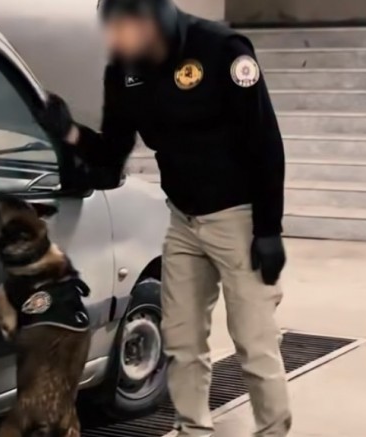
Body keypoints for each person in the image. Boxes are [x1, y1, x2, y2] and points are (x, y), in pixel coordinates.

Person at [35, 0, 291, 436]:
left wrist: (268, 230)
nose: (112, 42)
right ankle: (193, 429)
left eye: (120, 30)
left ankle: (273, 431)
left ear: (150, 21)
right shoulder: (124, 70)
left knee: (255, 342)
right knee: (182, 340)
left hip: (238, 220)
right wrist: (70, 133)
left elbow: (265, 142)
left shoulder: (223, 50)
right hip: (183, 222)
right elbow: (112, 155)